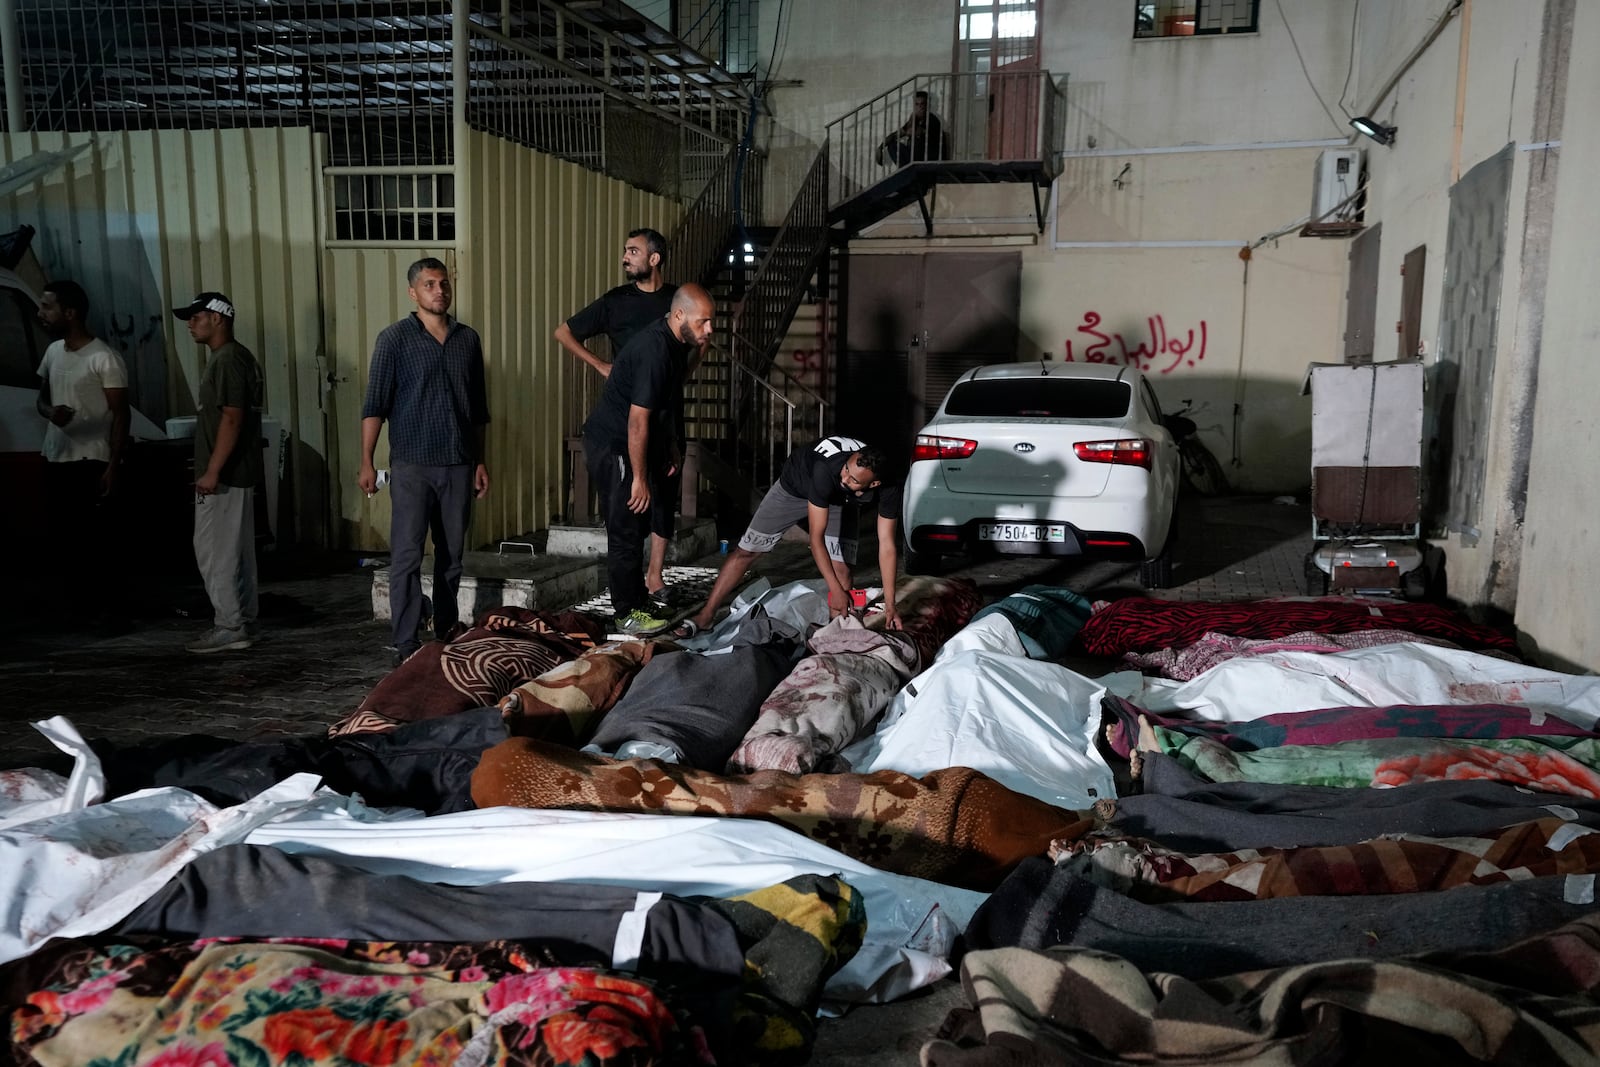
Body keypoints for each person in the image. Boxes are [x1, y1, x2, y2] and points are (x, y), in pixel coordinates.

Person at [555, 227, 698, 608]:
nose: (625, 258)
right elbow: (564, 332)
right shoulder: (617, 303)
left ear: (655, 258)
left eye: (632, 251)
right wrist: (601, 365)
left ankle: (652, 579)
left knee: (663, 495)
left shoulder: (677, 304)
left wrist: (681, 376)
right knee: (629, 514)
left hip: (663, 413)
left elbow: (700, 342)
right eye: (626, 251)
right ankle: (627, 607)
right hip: (628, 419)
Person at [358, 258, 490, 667]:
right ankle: (406, 643)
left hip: (458, 464)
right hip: (413, 465)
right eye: (430, 284)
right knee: (407, 556)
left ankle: (447, 629)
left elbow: (478, 409)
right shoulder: (394, 339)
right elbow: (375, 404)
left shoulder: (467, 340)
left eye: (444, 283)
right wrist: (367, 459)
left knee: (452, 557)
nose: (440, 290)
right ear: (413, 293)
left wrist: (480, 461)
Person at [580, 284, 715, 635]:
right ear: (680, 315)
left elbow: (666, 397)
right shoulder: (654, 349)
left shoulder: (674, 343)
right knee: (626, 526)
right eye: (704, 322)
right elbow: (637, 419)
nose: (709, 330)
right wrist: (639, 477)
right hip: (614, 442)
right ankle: (626, 612)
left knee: (639, 524)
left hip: (637, 439)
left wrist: (669, 444)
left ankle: (638, 600)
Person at [679, 436, 904, 636]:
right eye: (847, 469)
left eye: (854, 479)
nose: (844, 478)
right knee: (747, 551)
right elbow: (816, 539)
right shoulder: (828, 471)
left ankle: (834, 635)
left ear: (874, 483)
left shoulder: (889, 486)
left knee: (842, 571)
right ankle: (706, 615)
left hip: (841, 501)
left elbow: (887, 545)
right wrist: (834, 590)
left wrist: (891, 605)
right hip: (794, 488)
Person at [173, 292, 264, 654]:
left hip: (226, 476)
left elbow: (231, 417)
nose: (190, 324)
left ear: (219, 318)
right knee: (237, 552)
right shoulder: (235, 358)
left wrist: (211, 471)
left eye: (197, 317)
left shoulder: (227, 360)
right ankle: (244, 619)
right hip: (236, 473)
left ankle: (229, 625)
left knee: (214, 552)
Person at [35, 279, 130, 621]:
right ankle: (77, 610)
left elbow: (121, 414)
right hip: (56, 456)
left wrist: (113, 466)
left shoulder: (104, 357)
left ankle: (111, 612)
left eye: (47, 307)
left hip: (91, 459)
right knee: (65, 539)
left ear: (70, 313)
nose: (40, 313)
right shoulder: (52, 352)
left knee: (98, 543)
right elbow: (42, 397)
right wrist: (51, 413)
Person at [880, 90, 944, 167]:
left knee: (918, 141)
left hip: (928, 159)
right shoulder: (915, 120)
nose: (920, 107)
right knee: (892, 145)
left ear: (927, 105)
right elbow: (896, 134)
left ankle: (907, 170)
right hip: (915, 157)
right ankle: (906, 170)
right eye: (917, 104)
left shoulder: (932, 120)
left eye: (922, 104)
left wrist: (912, 118)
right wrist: (880, 147)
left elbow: (916, 132)